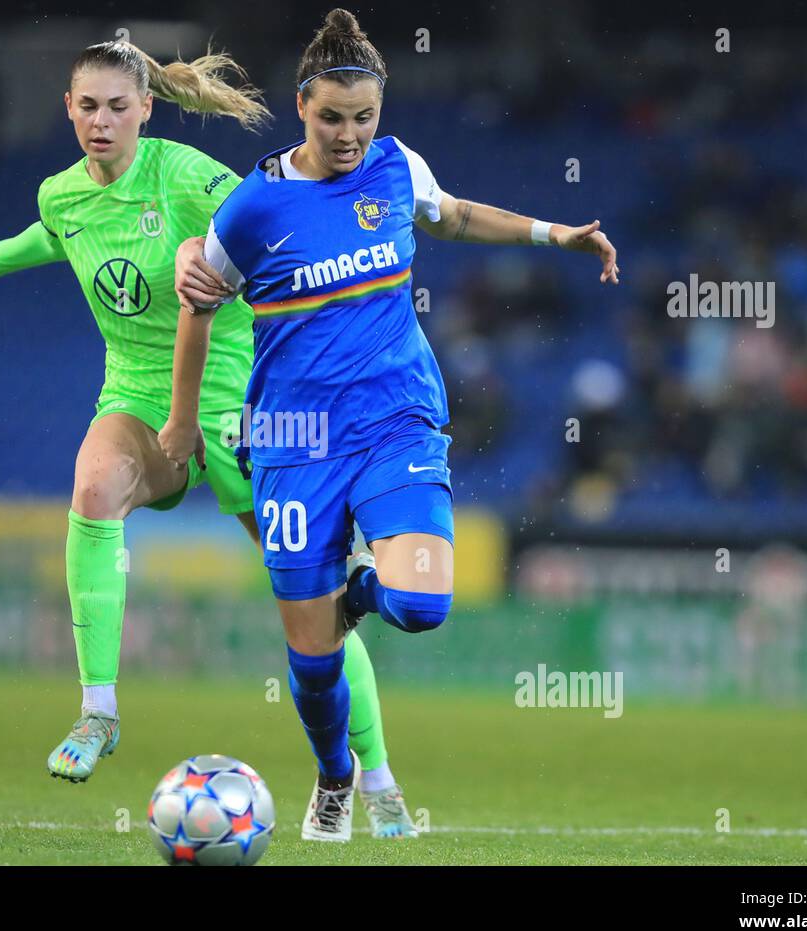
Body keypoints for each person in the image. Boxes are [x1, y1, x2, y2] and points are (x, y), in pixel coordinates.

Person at [0, 38, 420, 839]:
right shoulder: (64, 195)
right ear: (68, 109)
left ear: (145, 109)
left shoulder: (189, 178)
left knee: (316, 597)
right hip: (136, 399)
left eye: (118, 107)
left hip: (241, 406)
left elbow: (279, 220)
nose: (101, 121)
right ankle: (98, 712)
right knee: (93, 490)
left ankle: (376, 777)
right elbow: (46, 239)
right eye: (87, 106)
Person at [161, 8, 620, 841]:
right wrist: (183, 421)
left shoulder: (394, 167)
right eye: (332, 117)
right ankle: (337, 775)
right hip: (294, 441)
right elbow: (198, 306)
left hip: (396, 420)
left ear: (381, 112)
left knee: (420, 606)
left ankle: (359, 586)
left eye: (364, 117)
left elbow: (452, 213)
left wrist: (556, 233)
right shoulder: (255, 207)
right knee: (312, 661)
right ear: (302, 106)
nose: (348, 134)